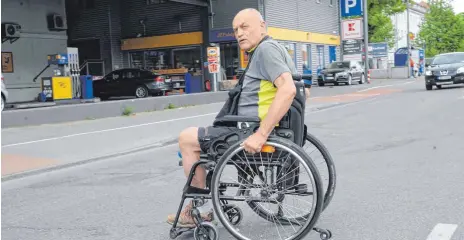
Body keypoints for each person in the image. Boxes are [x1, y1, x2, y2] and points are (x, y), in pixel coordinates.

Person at [167, 8, 301, 227]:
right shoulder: (278, 49)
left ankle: (199, 211)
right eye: (236, 29)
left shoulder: (266, 51)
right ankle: (202, 188)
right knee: (200, 141)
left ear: (262, 26)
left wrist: (261, 133)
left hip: (249, 130)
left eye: (245, 27)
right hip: (256, 127)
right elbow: (302, 92)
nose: (239, 33)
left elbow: (288, 90)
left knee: (187, 139)